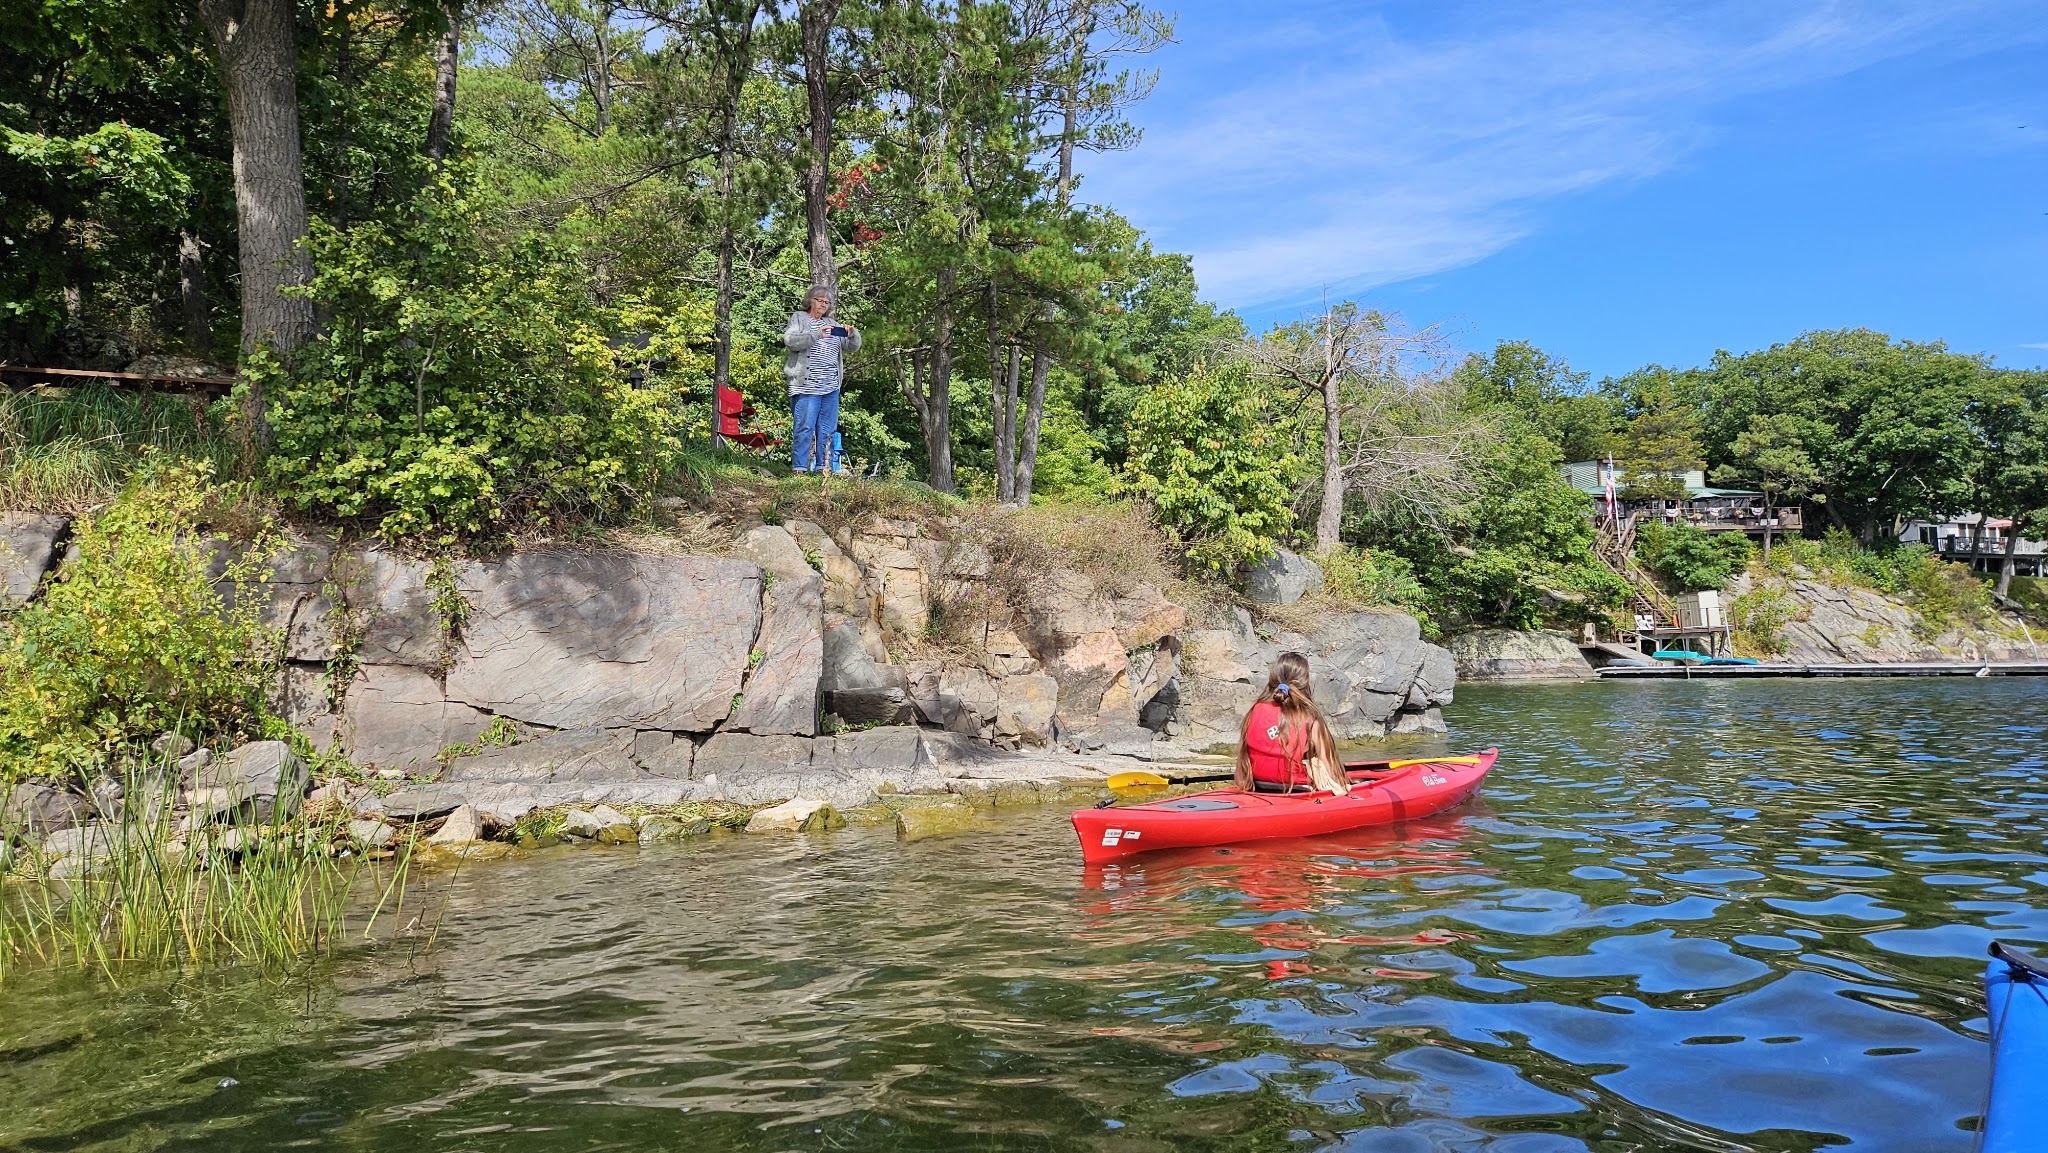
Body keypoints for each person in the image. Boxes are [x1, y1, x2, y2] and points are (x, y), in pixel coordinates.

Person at [1234, 652, 1350, 795]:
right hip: (1298, 790)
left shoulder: (1255, 710)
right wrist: (1346, 788)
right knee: (1317, 763)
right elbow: (1330, 765)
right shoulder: (1310, 719)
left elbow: (1244, 757)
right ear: (1305, 682)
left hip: (1258, 786)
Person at [783, 286, 861, 474]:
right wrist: (817, 333)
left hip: (830, 386)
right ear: (810, 300)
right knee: (805, 427)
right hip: (806, 385)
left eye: (827, 302)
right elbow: (791, 341)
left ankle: (823, 468)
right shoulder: (799, 318)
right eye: (820, 300)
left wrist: (852, 334)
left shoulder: (832, 323)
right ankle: (799, 468)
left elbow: (852, 347)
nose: (823, 304)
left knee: (827, 431)